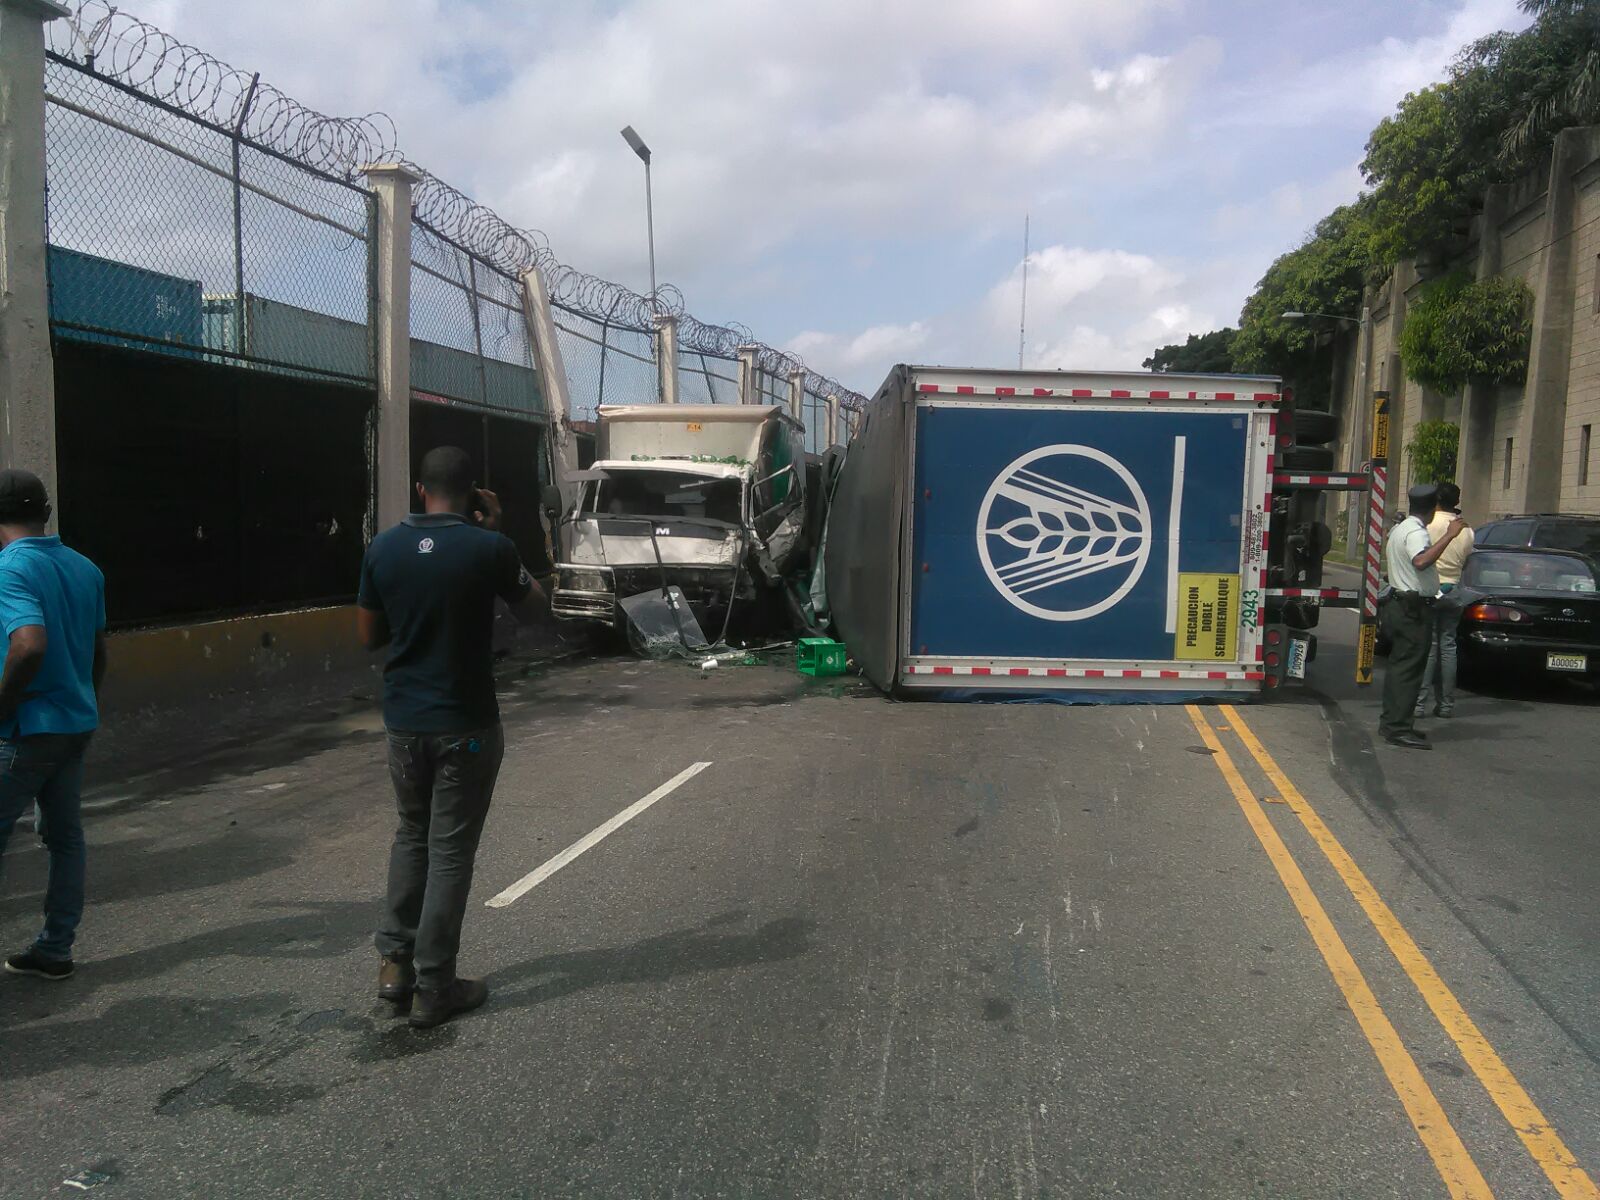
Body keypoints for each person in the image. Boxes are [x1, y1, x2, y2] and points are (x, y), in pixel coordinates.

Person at [357, 446, 547, 1028]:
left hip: (404, 723)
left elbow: (369, 637)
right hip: (465, 723)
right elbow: (538, 613)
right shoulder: (490, 548)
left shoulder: (383, 548)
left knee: (411, 834)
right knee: (450, 850)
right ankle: (436, 985)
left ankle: (395, 964)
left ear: (420, 490)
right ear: (474, 495)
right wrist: (498, 535)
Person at [0, 469, 107, 980]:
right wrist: (83, 700)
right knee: (65, 839)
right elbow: (97, 652)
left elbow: (28, 645)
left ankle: (53, 949)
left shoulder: (10, 569)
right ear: (44, 512)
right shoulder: (85, 568)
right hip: (75, 724)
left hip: (28, 729)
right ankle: (55, 948)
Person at [1381, 484, 1465, 750]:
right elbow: (1420, 561)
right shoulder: (1416, 531)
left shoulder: (1400, 528)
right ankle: (1398, 728)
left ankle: (1394, 722)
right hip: (1412, 608)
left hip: (1401, 604)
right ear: (1433, 509)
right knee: (1409, 670)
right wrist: (1450, 536)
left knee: (1401, 668)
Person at [1416, 481, 1474, 719]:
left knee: (1429, 647)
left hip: (1430, 588)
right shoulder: (1467, 530)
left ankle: (1418, 704)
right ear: (1456, 502)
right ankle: (1446, 705)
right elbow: (1467, 560)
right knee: (1449, 646)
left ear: (1435, 499)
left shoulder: (1427, 524)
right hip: (1454, 591)